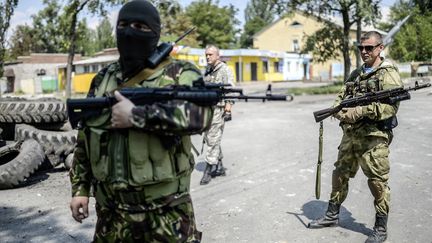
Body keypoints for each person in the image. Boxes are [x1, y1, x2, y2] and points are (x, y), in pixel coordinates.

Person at [69, 1, 213, 242]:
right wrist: (80, 190)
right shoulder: (103, 79)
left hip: (165, 216)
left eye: (139, 26)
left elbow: (200, 116)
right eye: (123, 25)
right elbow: (85, 138)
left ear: (155, 32)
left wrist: (136, 116)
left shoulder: (180, 72)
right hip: (111, 216)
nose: (129, 32)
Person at [308, 31, 403, 243]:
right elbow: (341, 98)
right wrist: (339, 111)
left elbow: (391, 107)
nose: (364, 52)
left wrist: (359, 112)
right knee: (340, 174)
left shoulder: (388, 73)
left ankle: (380, 227)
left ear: (380, 48)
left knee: (377, 183)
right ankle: (332, 215)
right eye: (361, 48)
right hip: (350, 136)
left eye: (369, 48)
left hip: (374, 137)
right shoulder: (357, 73)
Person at [200, 44, 235, 185]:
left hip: (219, 109)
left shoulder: (224, 70)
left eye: (210, 54)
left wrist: (228, 109)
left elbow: (231, 90)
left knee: (212, 137)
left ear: (217, 56)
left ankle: (208, 169)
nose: (208, 57)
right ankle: (219, 166)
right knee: (210, 137)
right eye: (206, 54)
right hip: (208, 108)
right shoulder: (208, 70)